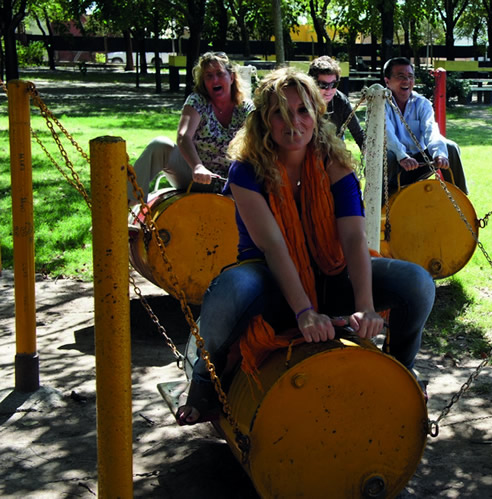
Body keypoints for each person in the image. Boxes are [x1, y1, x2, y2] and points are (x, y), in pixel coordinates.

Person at [176, 68, 435, 424]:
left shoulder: (335, 163)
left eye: (302, 111)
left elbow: (353, 238)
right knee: (229, 290)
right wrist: (305, 312)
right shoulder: (246, 170)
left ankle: (400, 370)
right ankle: (205, 384)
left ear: (316, 113)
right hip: (270, 282)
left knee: (417, 282)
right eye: (279, 112)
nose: (292, 123)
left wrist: (365, 306)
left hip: (330, 273)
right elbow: (273, 246)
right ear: (264, 120)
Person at [128, 52, 254, 204]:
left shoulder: (246, 107)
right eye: (208, 76)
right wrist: (197, 166)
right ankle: (126, 206)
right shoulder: (197, 101)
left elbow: (259, 142)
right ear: (203, 82)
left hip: (232, 181)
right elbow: (183, 136)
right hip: (196, 176)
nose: (215, 80)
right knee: (160, 145)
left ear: (232, 77)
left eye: (220, 74)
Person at [382, 57, 468, 196]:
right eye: (401, 76)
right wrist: (402, 157)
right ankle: (381, 203)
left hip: (416, 164)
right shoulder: (379, 104)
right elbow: (386, 134)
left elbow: (431, 130)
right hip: (390, 166)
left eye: (410, 77)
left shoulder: (422, 103)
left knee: (450, 148)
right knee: (388, 156)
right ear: (387, 81)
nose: (406, 81)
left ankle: (460, 201)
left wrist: (439, 154)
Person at [308, 55, 365, 150]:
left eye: (334, 84)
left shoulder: (341, 101)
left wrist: (370, 155)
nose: (329, 90)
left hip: (333, 143)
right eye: (323, 85)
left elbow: (358, 133)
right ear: (312, 83)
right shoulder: (302, 101)